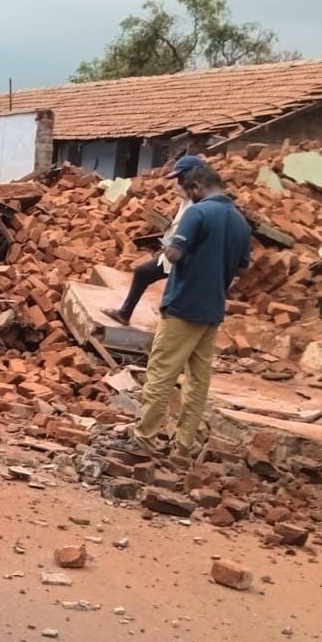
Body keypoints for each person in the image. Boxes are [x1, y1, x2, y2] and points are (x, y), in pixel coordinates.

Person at [113, 165, 251, 458]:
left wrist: (167, 250)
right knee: (198, 380)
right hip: (212, 310)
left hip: (183, 305)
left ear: (197, 186)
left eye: (188, 191)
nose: (188, 197)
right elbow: (242, 267)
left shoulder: (197, 213)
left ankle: (144, 439)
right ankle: (183, 445)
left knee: (161, 372)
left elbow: (174, 255)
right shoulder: (240, 221)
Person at [102, 154, 207, 326]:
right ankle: (125, 313)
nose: (178, 183)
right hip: (174, 252)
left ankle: (172, 325)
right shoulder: (188, 197)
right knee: (143, 273)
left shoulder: (201, 202)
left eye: (181, 178)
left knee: (171, 290)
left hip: (186, 257)